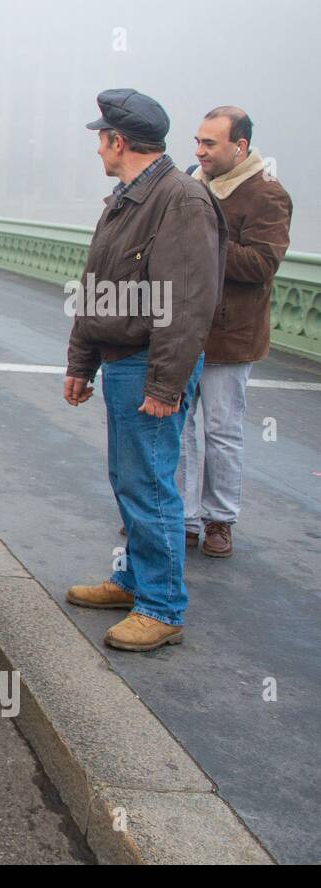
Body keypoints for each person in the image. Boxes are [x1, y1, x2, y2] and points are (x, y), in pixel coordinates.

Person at [64, 89, 226, 652]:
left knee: (152, 484)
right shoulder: (130, 198)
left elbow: (187, 304)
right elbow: (98, 288)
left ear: (119, 141)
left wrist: (165, 384)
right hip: (122, 361)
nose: (98, 148)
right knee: (129, 478)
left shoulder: (178, 200)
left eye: (100, 138)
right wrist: (81, 362)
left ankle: (161, 606)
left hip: (146, 366)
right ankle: (135, 581)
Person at [179, 106, 293, 558]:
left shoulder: (267, 195)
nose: (199, 151)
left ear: (239, 146)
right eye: (198, 141)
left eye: (209, 144)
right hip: (186, 330)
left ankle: (219, 520)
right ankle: (183, 518)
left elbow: (262, 264)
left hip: (231, 335)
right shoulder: (192, 182)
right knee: (178, 427)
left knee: (222, 431)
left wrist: (207, 238)